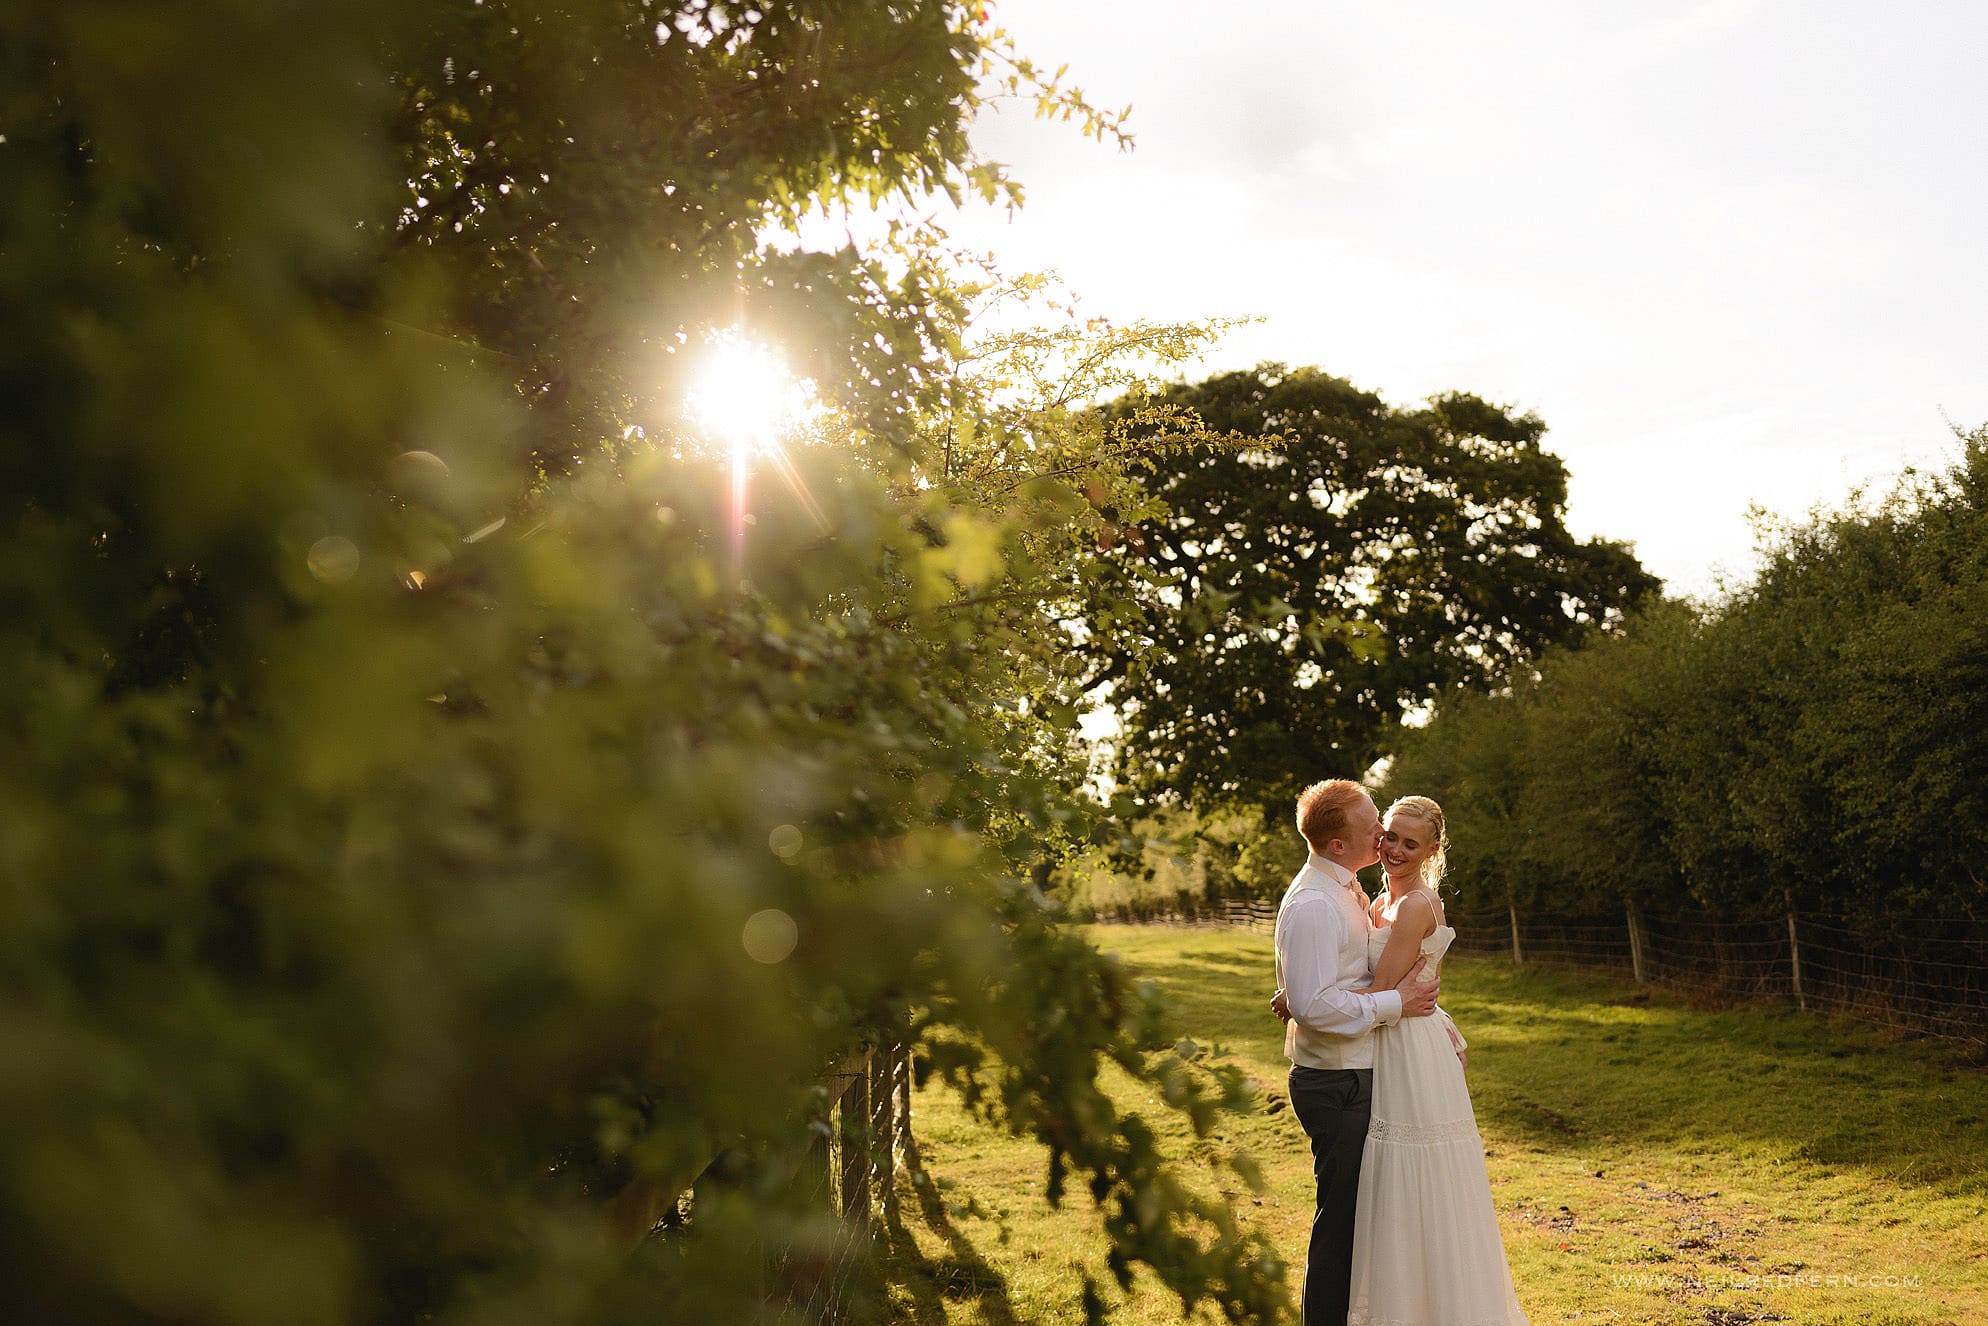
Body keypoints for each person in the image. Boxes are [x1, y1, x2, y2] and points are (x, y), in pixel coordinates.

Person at [1346, 795, 1528, 1326]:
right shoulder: (1378, 901)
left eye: (1410, 842)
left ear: (1431, 850)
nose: (1395, 849)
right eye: (1390, 836)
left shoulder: (1417, 906)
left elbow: (1378, 990)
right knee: (1390, 1176)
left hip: (1409, 1046)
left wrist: (1305, 999)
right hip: (1389, 1032)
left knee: (1418, 1170)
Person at [1272, 779, 1444, 1326]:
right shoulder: (1316, 904)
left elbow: (1332, 980)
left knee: (1363, 1216)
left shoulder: (1350, 890)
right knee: (1342, 1221)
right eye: (1374, 827)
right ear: (1340, 845)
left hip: (1360, 1070)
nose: (1383, 835)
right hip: (1335, 1081)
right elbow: (1318, 1007)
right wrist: (1395, 1002)